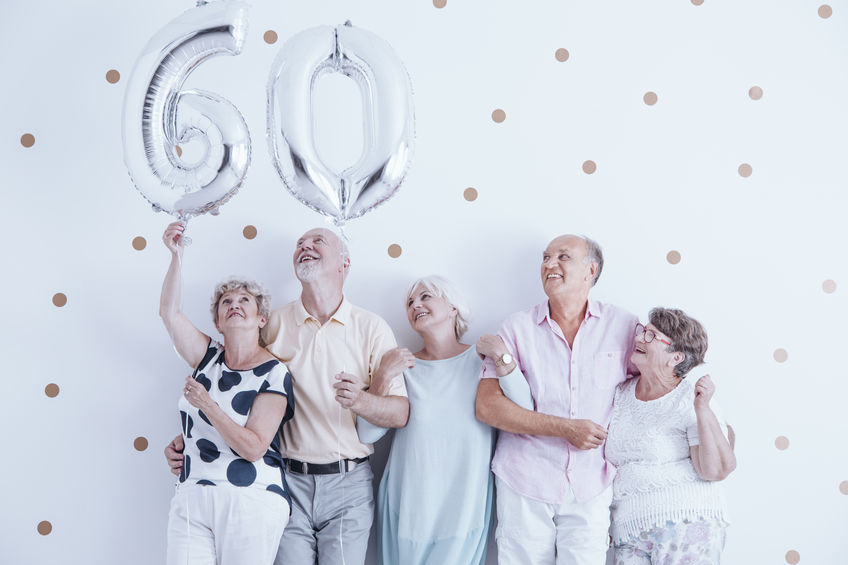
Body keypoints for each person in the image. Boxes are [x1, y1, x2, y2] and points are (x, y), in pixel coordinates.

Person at [166, 227, 409, 565]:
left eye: (317, 241)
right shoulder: (273, 324)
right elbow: (235, 380)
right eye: (300, 244)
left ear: (345, 263)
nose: (305, 246)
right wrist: (192, 437)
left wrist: (361, 401)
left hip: (348, 485)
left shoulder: (371, 327)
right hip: (287, 479)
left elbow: (399, 414)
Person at [475, 234, 637, 565]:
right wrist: (565, 428)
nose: (550, 264)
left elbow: (654, 384)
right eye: (546, 257)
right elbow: (487, 406)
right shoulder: (516, 328)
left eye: (563, 257)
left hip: (592, 484)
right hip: (524, 480)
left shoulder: (624, 326)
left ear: (590, 270)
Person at [159, 221, 294, 565]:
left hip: (251, 498)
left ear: (261, 319)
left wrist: (208, 404)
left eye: (244, 300)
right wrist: (176, 256)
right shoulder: (207, 358)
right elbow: (169, 313)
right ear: (218, 323)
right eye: (226, 302)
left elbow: (253, 447)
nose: (234, 304)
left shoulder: (273, 373)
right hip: (193, 496)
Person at [359, 276, 517, 565]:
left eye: (426, 296)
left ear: (453, 307)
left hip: (464, 507)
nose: (415, 304)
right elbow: (367, 434)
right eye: (410, 302)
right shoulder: (403, 365)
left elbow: (522, 407)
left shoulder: (481, 359)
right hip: (406, 507)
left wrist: (503, 356)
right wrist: (382, 375)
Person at [605, 308, 735, 564]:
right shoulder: (619, 394)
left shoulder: (692, 400)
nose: (640, 338)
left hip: (686, 522)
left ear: (675, 357)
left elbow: (714, 470)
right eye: (644, 331)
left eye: (652, 336)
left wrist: (702, 409)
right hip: (629, 529)